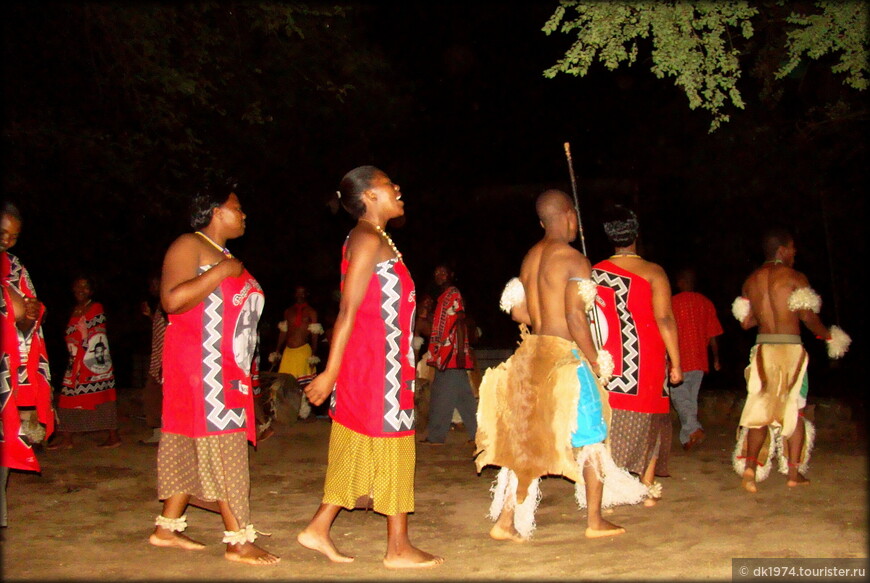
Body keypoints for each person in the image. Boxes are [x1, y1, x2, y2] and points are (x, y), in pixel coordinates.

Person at [476, 190, 648, 542]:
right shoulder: (572, 258)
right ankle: (596, 519)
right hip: (563, 356)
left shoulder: (530, 258)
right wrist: (596, 360)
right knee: (592, 438)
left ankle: (506, 521)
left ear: (542, 221)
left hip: (530, 354)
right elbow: (575, 315)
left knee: (527, 441)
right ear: (569, 215)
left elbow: (520, 313)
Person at [297, 165, 443, 569]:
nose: (397, 186)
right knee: (394, 443)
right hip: (378, 366)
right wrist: (330, 371)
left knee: (364, 443)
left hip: (381, 363)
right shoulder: (366, 238)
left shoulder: (378, 239)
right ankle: (397, 547)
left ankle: (318, 528)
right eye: (386, 183)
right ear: (368, 197)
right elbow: (347, 309)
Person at [148, 178, 279, 565]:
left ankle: (166, 529)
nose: (243, 214)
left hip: (222, 368)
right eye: (236, 207)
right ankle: (237, 540)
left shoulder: (218, 252)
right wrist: (221, 272)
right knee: (222, 446)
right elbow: (172, 300)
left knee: (193, 444)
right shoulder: (189, 245)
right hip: (201, 368)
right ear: (215, 212)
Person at [731, 227, 850, 493]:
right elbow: (807, 317)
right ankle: (794, 473)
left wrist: (765, 311)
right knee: (795, 411)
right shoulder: (794, 277)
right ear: (782, 249)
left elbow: (747, 322)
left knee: (759, 410)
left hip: (762, 350)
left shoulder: (751, 281)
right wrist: (829, 337)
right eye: (793, 248)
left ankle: (750, 468)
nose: (795, 252)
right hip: (790, 352)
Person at [591, 204, 682, 506]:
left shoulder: (594, 273)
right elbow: (665, 319)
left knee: (612, 418)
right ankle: (646, 486)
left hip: (610, 358)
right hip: (647, 357)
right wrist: (677, 362)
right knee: (652, 418)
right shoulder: (654, 271)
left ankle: (609, 483)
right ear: (636, 234)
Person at [1, 202, 55, 528]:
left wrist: (31, 312)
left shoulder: (16, 267)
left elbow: (28, 317)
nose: (7, 240)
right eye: (2, 232)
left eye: (14, 236)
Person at [48, 276, 121, 449]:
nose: (81, 290)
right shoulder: (74, 309)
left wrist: (84, 336)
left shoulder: (96, 307)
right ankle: (67, 438)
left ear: (91, 290)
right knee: (67, 399)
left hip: (94, 362)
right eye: (77, 286)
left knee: (102, 398)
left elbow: (98, 334)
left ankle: (114, 436)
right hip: (75, 362)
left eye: (85, 287)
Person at [421, 265, 478, 445]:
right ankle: (481, 434)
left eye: (443, 272)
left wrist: (460, 351)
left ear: (451, 275)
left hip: (451, 354)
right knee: (464, 399)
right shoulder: (442, 298)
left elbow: (460, 323)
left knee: (441, 396)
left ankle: (436, 436)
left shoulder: (453, 293)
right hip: (445, 354)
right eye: (436, 273)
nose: (439, 275)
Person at [671, 267, 722, 451]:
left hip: (680, 359)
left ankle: (694, 429)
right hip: (700, 359)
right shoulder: (706, 303)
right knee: (690, 399)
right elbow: (713, 333)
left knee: (679, 397)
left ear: (682, 282)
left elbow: (666, 330)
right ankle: (687, 438)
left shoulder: (672, 303)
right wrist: (716, 358)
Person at [269, 285, 322, 421]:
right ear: (294, 295)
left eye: (302, 293)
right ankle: (282, 411)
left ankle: (304, 412)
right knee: (283, 382)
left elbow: (315, 334)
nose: (300, 295)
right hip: (289, 352)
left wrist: (313, 355)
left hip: (303, 351)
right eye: (298, 293)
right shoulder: (288, 311)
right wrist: (277, 351)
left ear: (306, 294)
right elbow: (283, 332)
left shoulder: (311, 312)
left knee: (304, 383)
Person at [139, 273, 166, 445]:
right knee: (154, 396)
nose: (153, 288)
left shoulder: (169, 303)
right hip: (159, 358)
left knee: (154, 395)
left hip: (167, 358)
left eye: (156, 284)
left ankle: (162, 434)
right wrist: (150, 315)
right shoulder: (161, 305)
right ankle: (158, 433)